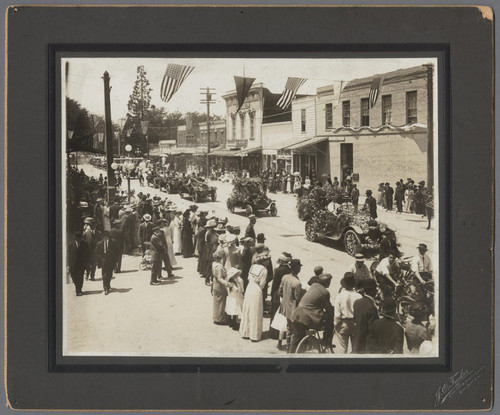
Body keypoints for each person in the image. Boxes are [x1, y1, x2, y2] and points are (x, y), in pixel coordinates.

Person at [291, 273, 335, 353]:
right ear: (327, 282)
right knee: (330, 318)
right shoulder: (325, 292)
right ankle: (326, 339)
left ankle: (290, 355)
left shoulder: (313, 285)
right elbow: (328, 308)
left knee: (297, 337)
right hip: (309, 316)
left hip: (298, 313)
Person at [239, 252, 269, 342]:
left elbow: (248, 278)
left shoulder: (252, 266)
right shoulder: (264, 270)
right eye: (267, 260)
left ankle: (246, 332)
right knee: (256, 311)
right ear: (264, 261)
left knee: (248, 309)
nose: (268, 262)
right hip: (256, 290)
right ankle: (254, 335)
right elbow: (262, 284)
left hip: (249, 288)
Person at [279, 259, 305, 352]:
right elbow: (298, 298)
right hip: (293, 309)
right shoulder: (297, 283)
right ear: (297, 268)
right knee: (294, 331)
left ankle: (287, 348)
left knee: (288, 328)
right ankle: (291, 349)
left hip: (285, 307)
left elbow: (280, 292)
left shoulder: (285, 277)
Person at [333, 273, 362, 353]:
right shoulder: (359, 296)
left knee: (342, 349)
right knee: (355, 349)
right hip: (355, 324)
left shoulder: (340, 296)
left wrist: (335, 324)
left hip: (343, 324)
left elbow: (337, 315)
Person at [353, 279, 379, 353]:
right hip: (369, 343)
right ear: (371, 291)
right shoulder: (372, 306)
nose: (376, 291)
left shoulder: (357, 303)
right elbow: (373, 327)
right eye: (375, 289)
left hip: (358, 340)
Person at [96, 231, 119, 295]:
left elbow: (117, 252)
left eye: (106, 237)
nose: (104, 238)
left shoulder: (113, 242)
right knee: (104, 275)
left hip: (111, 261)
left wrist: (116, 261)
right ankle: (106, 288)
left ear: (108, 237)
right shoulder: (99, 244)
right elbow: (97, 253)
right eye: (103, 237)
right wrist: (100, 260)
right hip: (103, 262)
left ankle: (108, 284)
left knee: (109, 274)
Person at [68, 231, 90, 296]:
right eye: (77, 238)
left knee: (80, 277)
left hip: (81, 264)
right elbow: (68, 256)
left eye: (80, 238)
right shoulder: (71, 245)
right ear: (75, 238)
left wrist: (88, 263)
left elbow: (88, 254)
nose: (79, 239)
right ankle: (77, 287)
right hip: (73, 264)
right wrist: (68, 265)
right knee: (74, 277)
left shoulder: (85, 244)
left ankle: (79, 290)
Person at [212, 250, 230, 325]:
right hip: (220, 285)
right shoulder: (219, 266)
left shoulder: (214, 264)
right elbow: (220, 278)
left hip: (215, 284)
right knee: (221, 302)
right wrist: (226, 283)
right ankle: (220, 318)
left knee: (217, 301)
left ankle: (216, 317)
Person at [203, 219, 219, 286]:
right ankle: (207, 279)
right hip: (211, 251)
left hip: (211, 250)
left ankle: (211, 279)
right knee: (210, 266)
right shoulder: (209, 233)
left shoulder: (212, 233)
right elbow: (209, 244)